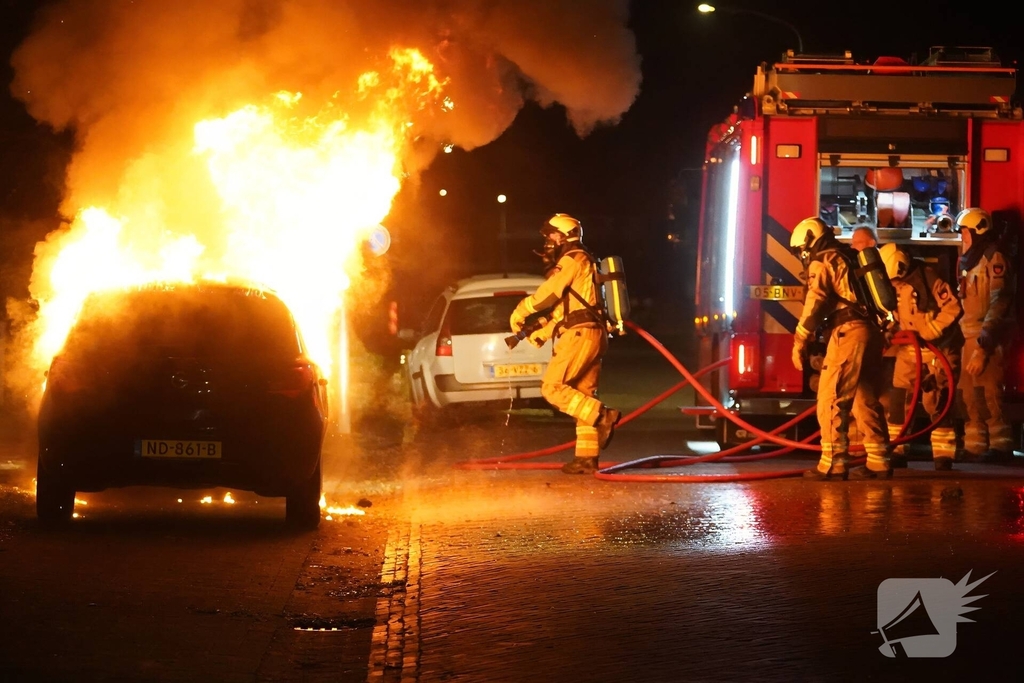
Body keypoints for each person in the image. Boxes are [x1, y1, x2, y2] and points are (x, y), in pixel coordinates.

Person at [510, 213, 621, 474]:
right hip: (590, 333)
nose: (548, 241)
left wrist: (521, 310)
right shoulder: (586, 260)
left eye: (552, 235)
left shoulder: (572, 260)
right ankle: (586, 458)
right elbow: (565, 311)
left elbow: (548, 294)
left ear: (564, 235)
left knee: (553, 388)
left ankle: (604, 416)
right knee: (581, 395)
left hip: (580, 335)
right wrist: (537, 333)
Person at [789, 217, 891, 480]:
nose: (803, 255)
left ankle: (833, 463)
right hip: (870, 331)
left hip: (848, 332)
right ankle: (879, 461)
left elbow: (816, 300)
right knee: (864, 396)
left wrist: (800, 340)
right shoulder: (848, 256)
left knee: (831, 398)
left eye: (802, 250)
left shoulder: (823, 260)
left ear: (810, 241)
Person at [878, 243, 963, 470]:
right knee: (898, 400)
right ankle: (897, 449)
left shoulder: (929, 279)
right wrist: (888, 332)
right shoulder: (896, 285)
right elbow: (897, 316)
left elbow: (953, 308)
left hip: (939, 350)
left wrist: (932, 331)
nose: (892, 285)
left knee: (937, 400)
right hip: (910, 350)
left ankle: (943, 456)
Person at [954, 208, 1016, 462]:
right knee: (969, 396)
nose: (962, 238)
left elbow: (999, 303)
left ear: (977, 232)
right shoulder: (971, 261)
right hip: (969, 337)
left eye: (965, 233)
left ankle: (1001, 448)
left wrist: (983, 347)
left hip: (986, 339)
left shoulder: (994, 259)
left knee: (988, 394)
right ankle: (975, 447)